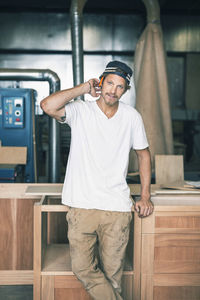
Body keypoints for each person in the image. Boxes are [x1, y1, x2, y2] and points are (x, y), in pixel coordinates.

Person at [40, 60, 154, 300]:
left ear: (126, 90)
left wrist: (145, 196)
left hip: (116, 210)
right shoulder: (80, 111)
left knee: (112, 277)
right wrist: (83, 88)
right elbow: (47, 105)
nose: (113, 90)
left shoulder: (132, 117)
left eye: (120, 86)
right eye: (109, 83)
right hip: (82, 206)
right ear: (101, 82)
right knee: (82, 268)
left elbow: (143, 155)